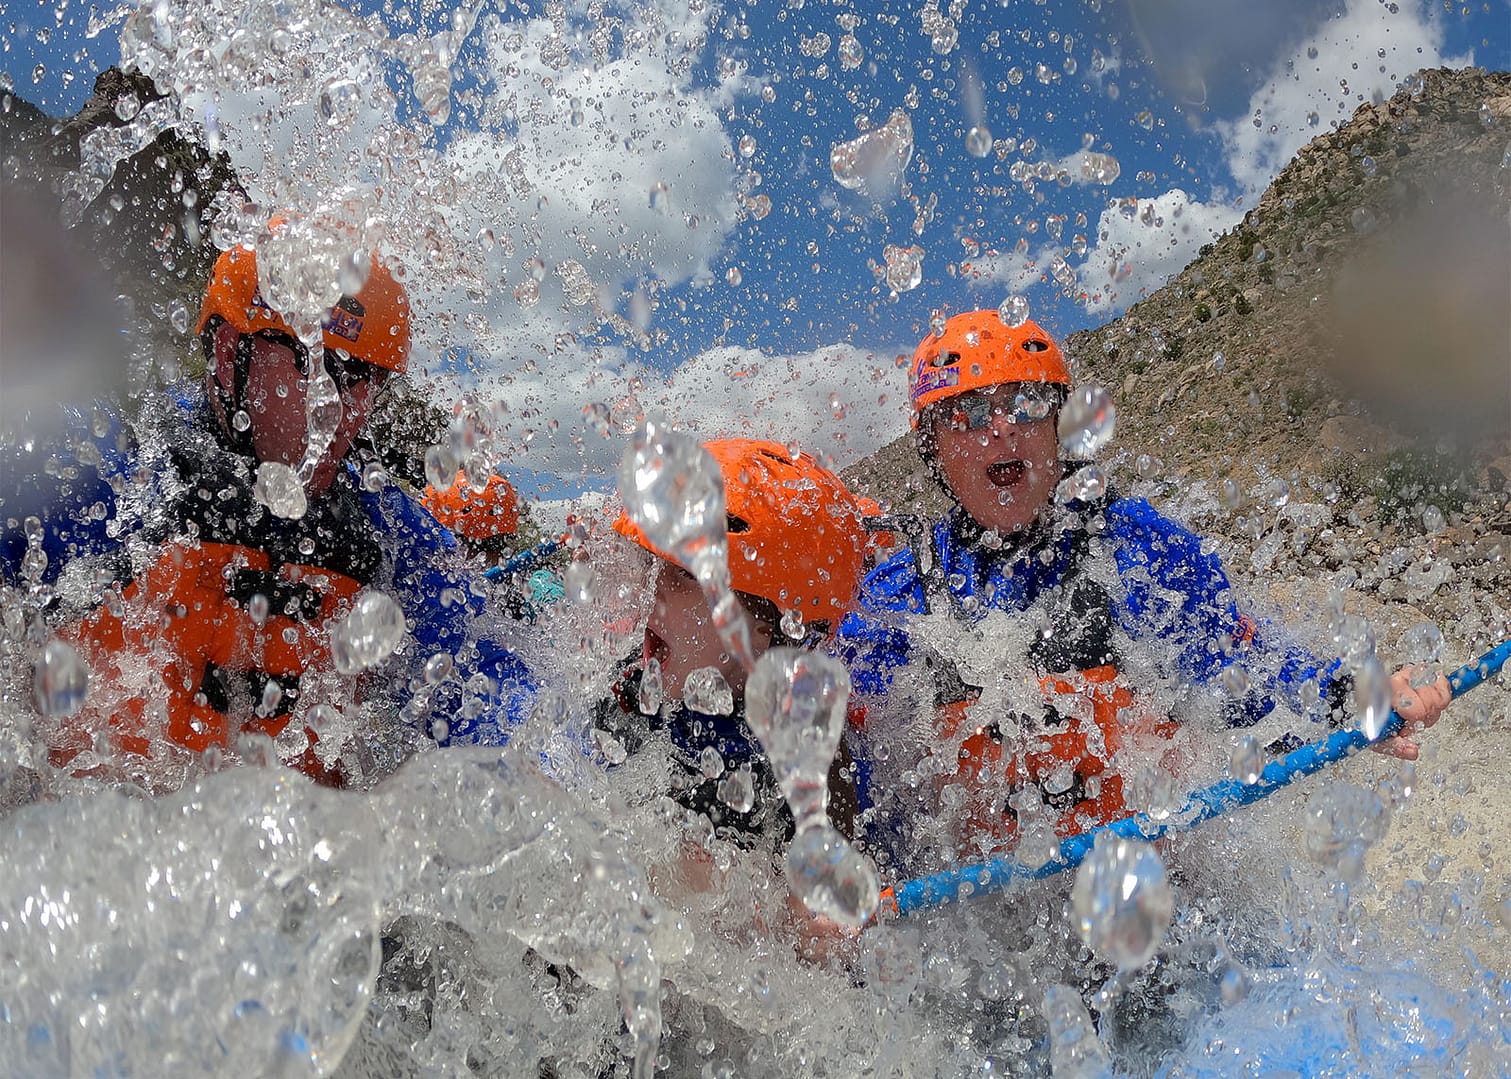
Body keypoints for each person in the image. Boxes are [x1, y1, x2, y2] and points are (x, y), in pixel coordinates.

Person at [840, 309, 1452, 862]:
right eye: (968, 414)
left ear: (1061, 429)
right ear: (933, 449)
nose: (1001, 429)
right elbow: (844, 750)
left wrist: (1352, 694)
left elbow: (1240, 666)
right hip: (980, 918)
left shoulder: (1131, 545)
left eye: (1026, 403)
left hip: (1147, 889)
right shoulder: (902, 594)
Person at [6, 233, 534, 793]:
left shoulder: (387, 533)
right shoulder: (112, 474)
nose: (343, 412)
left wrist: (536, 775)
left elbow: (492, 678)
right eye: (320, 368)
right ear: (231, 353)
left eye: (367, 382)